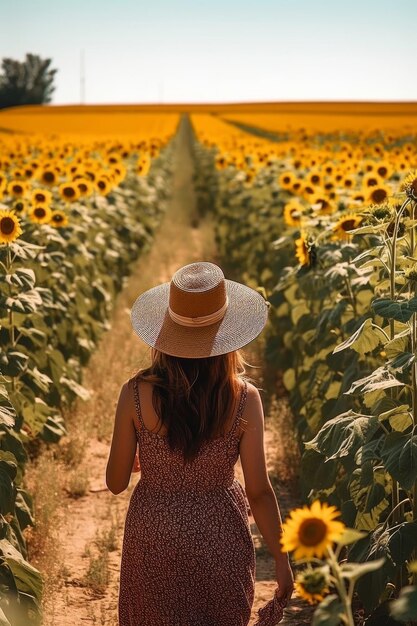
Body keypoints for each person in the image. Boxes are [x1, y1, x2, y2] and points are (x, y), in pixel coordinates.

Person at [106, 261, 294, 626]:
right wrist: (283, 561)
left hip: (153, 533)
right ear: (228, 336)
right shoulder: (244, 398)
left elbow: (115, 482)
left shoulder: (134, 394)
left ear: (164, 332)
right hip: (220, 533)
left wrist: (143, 456)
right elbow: (259, 490)